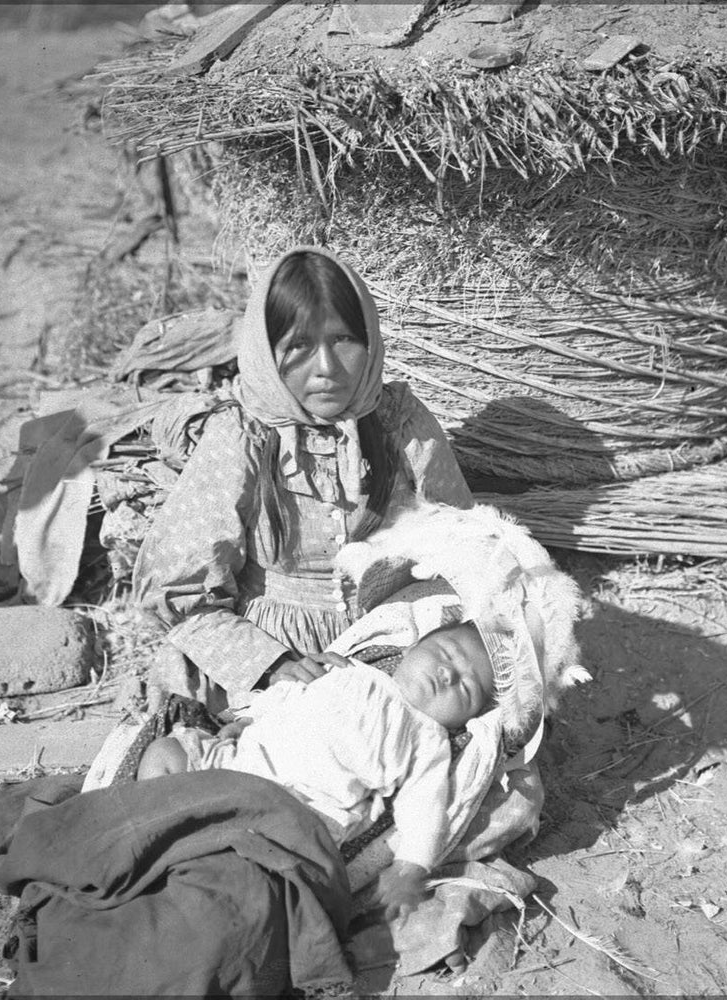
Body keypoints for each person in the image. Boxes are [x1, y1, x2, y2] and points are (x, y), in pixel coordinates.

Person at [133, 246, 473, 714]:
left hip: (400, 654)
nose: (327, 368)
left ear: (370, 341)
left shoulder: (401, 423)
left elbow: (466, 550)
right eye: (298, 346)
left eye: (344, 339)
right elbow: (179, 590)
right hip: (268, 662)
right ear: (267, 353)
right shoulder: (244, 437)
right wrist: (272, 665)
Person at [137, 619, 497, 918]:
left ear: (466, 719)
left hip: (296, 810)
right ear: (411, 647)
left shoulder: (428, 738)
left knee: (259, 876)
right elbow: (285, 697)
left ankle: (188, 879)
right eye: (445, 653)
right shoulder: (345, 668)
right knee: (164, 754)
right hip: (237, 764)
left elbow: (425, 809)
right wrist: (246, 721)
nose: (448, 674)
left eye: (467, 688)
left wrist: (412, 866)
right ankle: (142, 847)